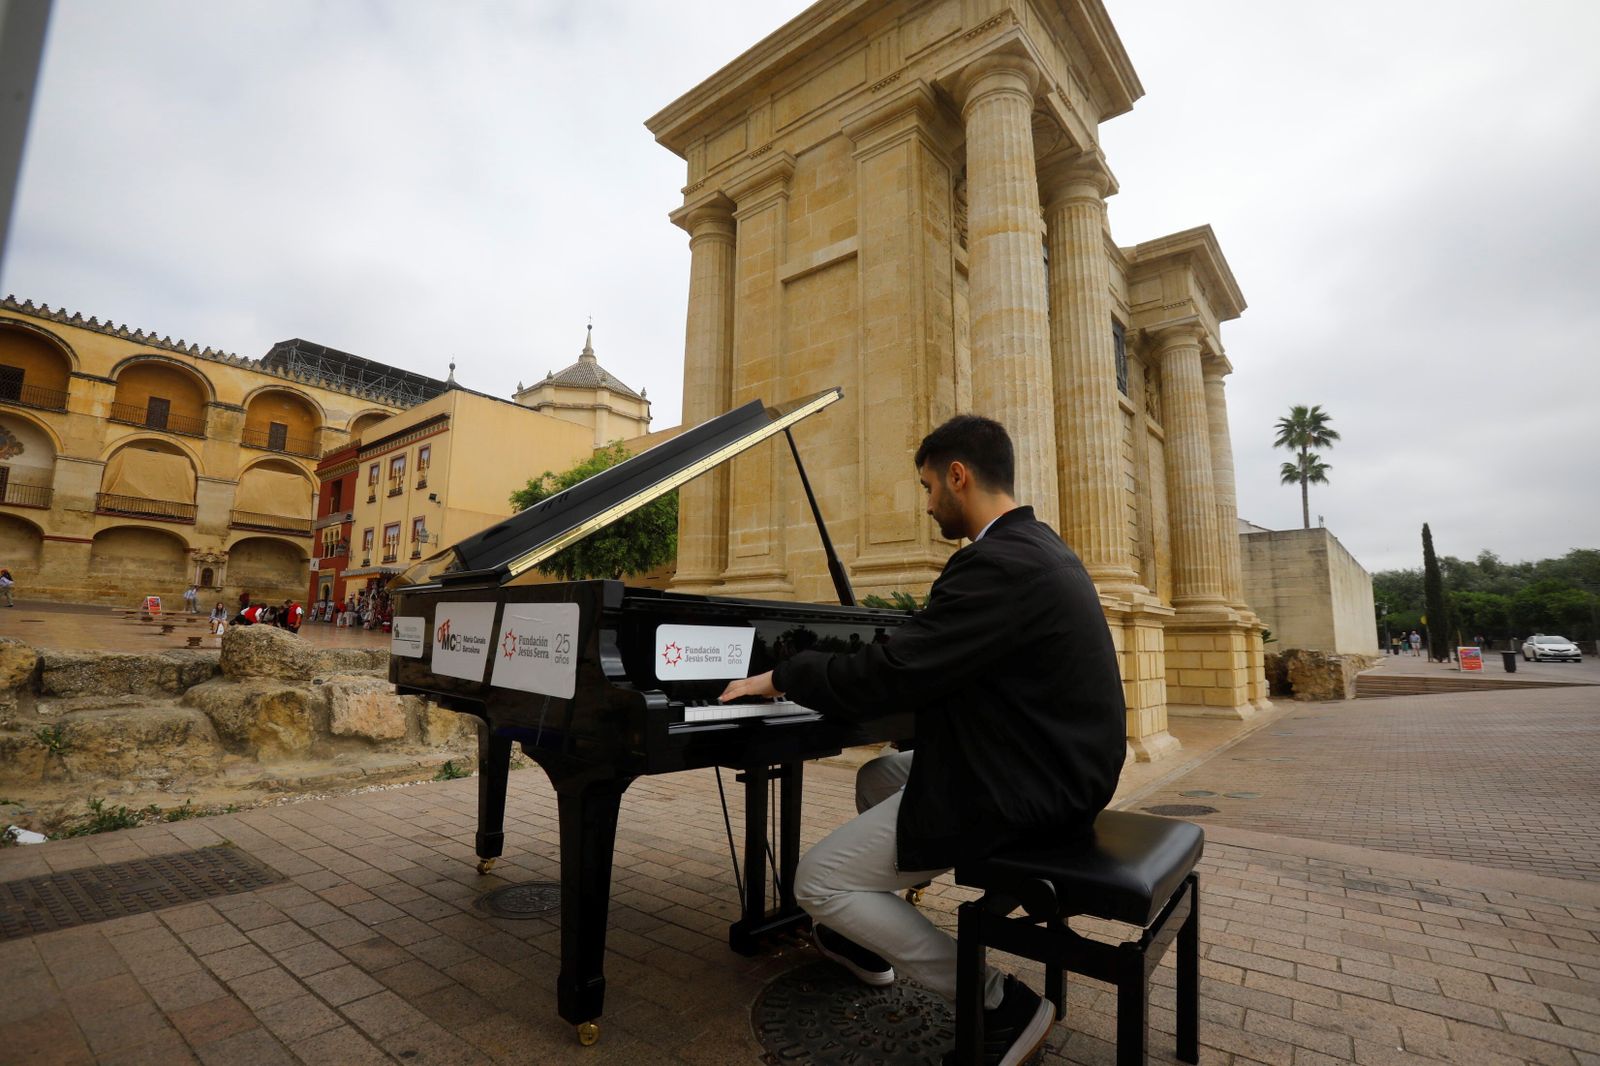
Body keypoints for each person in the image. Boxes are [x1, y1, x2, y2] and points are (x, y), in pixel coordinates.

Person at [719, 415, 1126, 1066]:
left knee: (818, 881)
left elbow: (895, 672)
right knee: (877, 778)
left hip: (1034, 786)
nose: (929, 500)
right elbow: (934, 663)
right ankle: (869, 936)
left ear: (958, 476)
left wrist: (782, 675)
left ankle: (998, 1001)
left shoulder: (995, 564)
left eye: (928, 485)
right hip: (1051, 764)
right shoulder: (1036, 547)